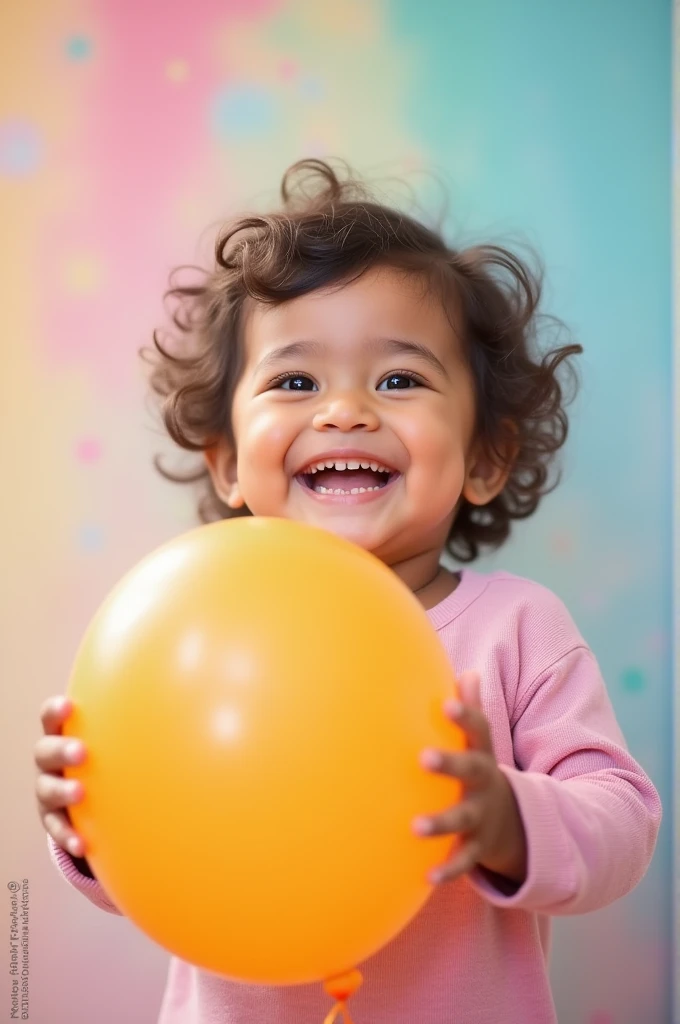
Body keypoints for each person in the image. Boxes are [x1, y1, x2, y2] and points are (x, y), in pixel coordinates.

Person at [34, 159, 661, 1024]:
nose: (344, 412)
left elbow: (624, 826)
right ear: (226, 460)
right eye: (296, 381)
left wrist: (506, 814)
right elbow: (154, 866)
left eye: (399, 379)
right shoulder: (186, 640)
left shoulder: (518, 629)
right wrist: (86, 824)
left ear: (485, 457)